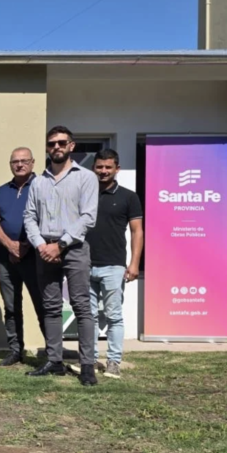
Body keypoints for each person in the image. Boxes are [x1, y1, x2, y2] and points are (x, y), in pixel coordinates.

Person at [24, 126, 99, 386]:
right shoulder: (38, 181)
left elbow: (88, 217)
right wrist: (41, 245)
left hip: (74, 248)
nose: (56, 147)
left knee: (81, 306)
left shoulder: (86, 178)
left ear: (71, 146)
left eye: (61, 142)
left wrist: (62, 244)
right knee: (51, 307)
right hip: (44, 249)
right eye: (51, 143)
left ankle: (87, 364)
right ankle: (54, 361)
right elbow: (29, 217)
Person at [76, 148, 142, 380]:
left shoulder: (128, 197)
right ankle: (91, 360)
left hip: (113, 266)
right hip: (84, 264)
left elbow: (137, 231)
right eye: (99, 167)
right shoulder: (84, 194)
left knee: (114, 316)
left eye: (108, 167)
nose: (103, 171)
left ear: (117, 169)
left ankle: (114, 362)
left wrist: (134, 264)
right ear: (93, 168)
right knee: (89, 316)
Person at [0, 147, 46, 367]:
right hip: (5, 258)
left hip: (35, 256)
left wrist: (25, 247)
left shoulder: (42, 187)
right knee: (11, 306)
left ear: (33, 163)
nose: (20, 165)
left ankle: (53, 351)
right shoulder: (1, 191)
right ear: (10, 164)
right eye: (15, 161)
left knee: (42, 304)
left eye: (24, 161)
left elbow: (48, 219)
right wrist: (10, 246)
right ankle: (16, 350)